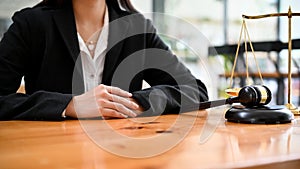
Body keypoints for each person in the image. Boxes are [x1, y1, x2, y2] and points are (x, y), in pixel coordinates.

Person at [0, 0, 208, 121]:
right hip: (49, 156)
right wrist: (69, 105)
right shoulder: (30, 24)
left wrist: (134, 102)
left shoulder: (138, 28)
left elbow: (194, 90)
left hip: (121, 154)